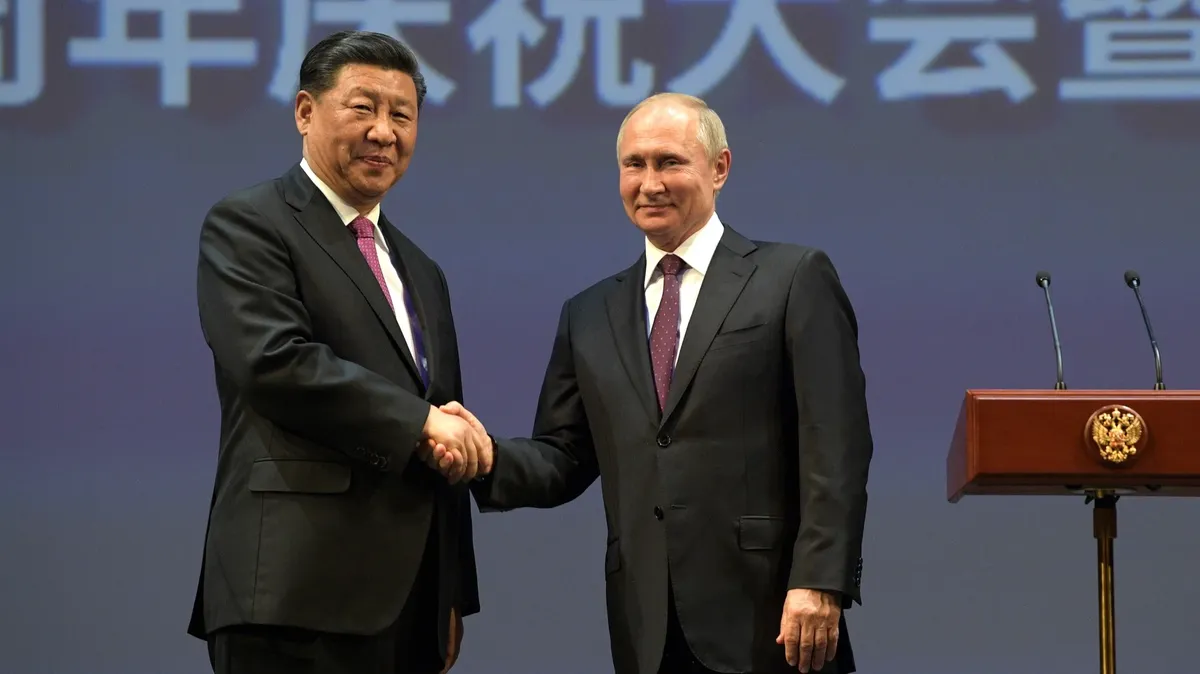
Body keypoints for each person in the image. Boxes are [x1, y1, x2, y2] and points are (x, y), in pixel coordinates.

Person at [425, 93, 875, 674]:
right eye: (634, 164)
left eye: (670, 162)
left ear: (719, 168)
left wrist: (820, 580)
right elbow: (564, 456)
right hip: (647, 626)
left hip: (773, 614)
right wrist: (485, 455)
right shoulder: (589, 313)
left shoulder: (792, 277)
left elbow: (836, 442)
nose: (650, 183)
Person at [187, 30, 490, 674]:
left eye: (402, 115)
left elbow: (443, 417)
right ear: (305, 112)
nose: (384, 132)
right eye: (363, 108)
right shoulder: (249, 223)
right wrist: (420, 422)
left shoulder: (421, 269)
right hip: (292, 597)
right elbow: (275, 363)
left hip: (408, 605)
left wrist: (451, 592)